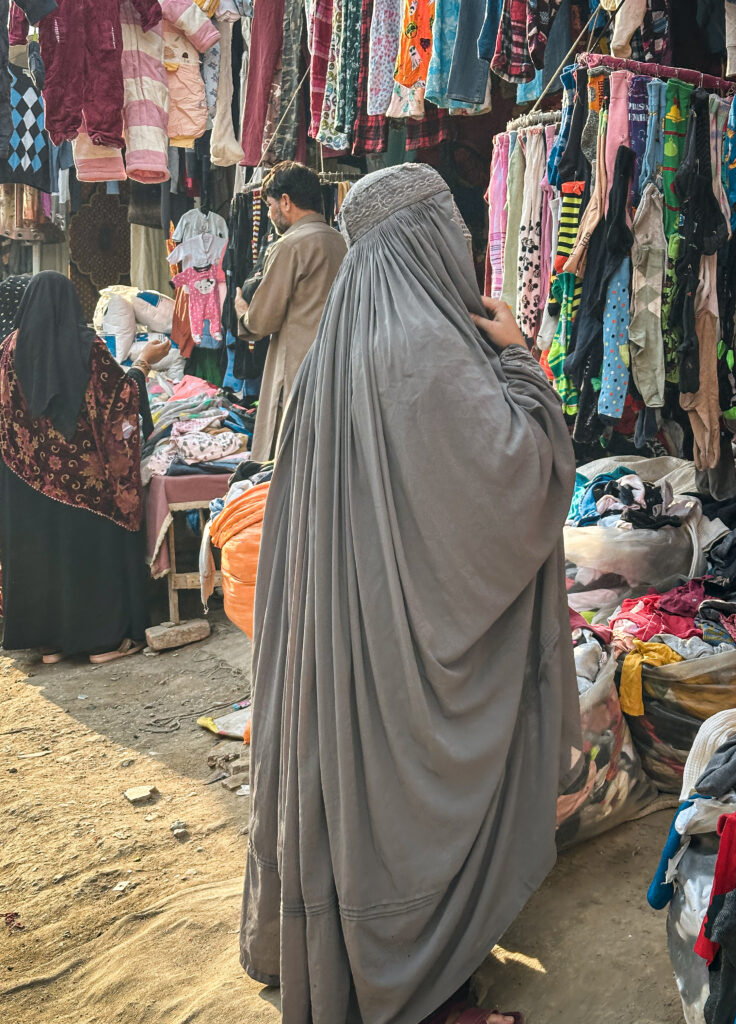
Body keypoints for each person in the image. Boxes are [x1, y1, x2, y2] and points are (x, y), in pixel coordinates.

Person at [240, 164, 581, 1023]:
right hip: (400, 670)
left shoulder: (334, 354)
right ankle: (415, 990)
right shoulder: (429, 354)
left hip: (344, 658)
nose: (463, 252)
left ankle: (351, 960)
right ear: (427, 243)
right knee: (406, 808)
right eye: (453, 235)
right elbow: (521, 479)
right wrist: (521, 360)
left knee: (361, 809)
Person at [0, 272, 170, 664]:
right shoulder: (84, 346)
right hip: (85, 485)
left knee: (44, 555)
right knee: (88, 553)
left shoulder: (9, 349)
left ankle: (51, 644)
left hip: (28, 484)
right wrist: (144, 362)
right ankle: (103, 644)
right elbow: (118, 399)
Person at [234, 160, 347, 462]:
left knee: (285, 461)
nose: (270, 213)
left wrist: (243, 312)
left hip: (295, 371)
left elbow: (261, 321)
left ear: (285, 201)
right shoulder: (341, 243)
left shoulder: (290, 246)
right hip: (336, 369)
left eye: (270, 204)